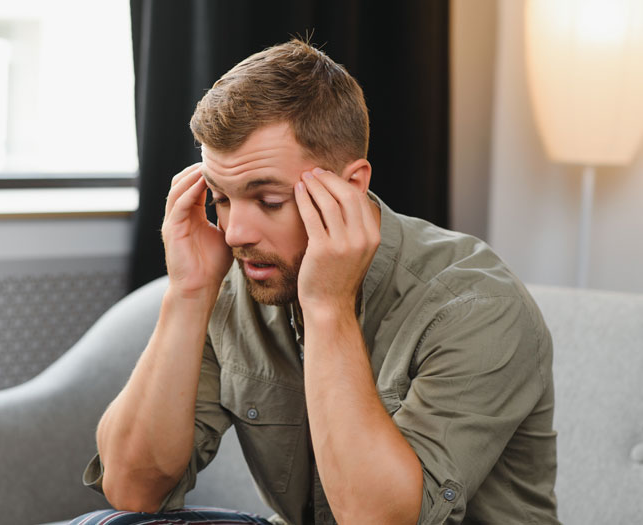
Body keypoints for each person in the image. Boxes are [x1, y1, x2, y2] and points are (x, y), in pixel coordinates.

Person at [73, 39, 560, 525]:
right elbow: (132, 489)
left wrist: (328, 306)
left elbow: (377, 522)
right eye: (220, 198)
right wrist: (189, 294)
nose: (236, 233)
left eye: (268, 201)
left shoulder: (475, 305)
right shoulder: (235, 278)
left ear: (350, 187)